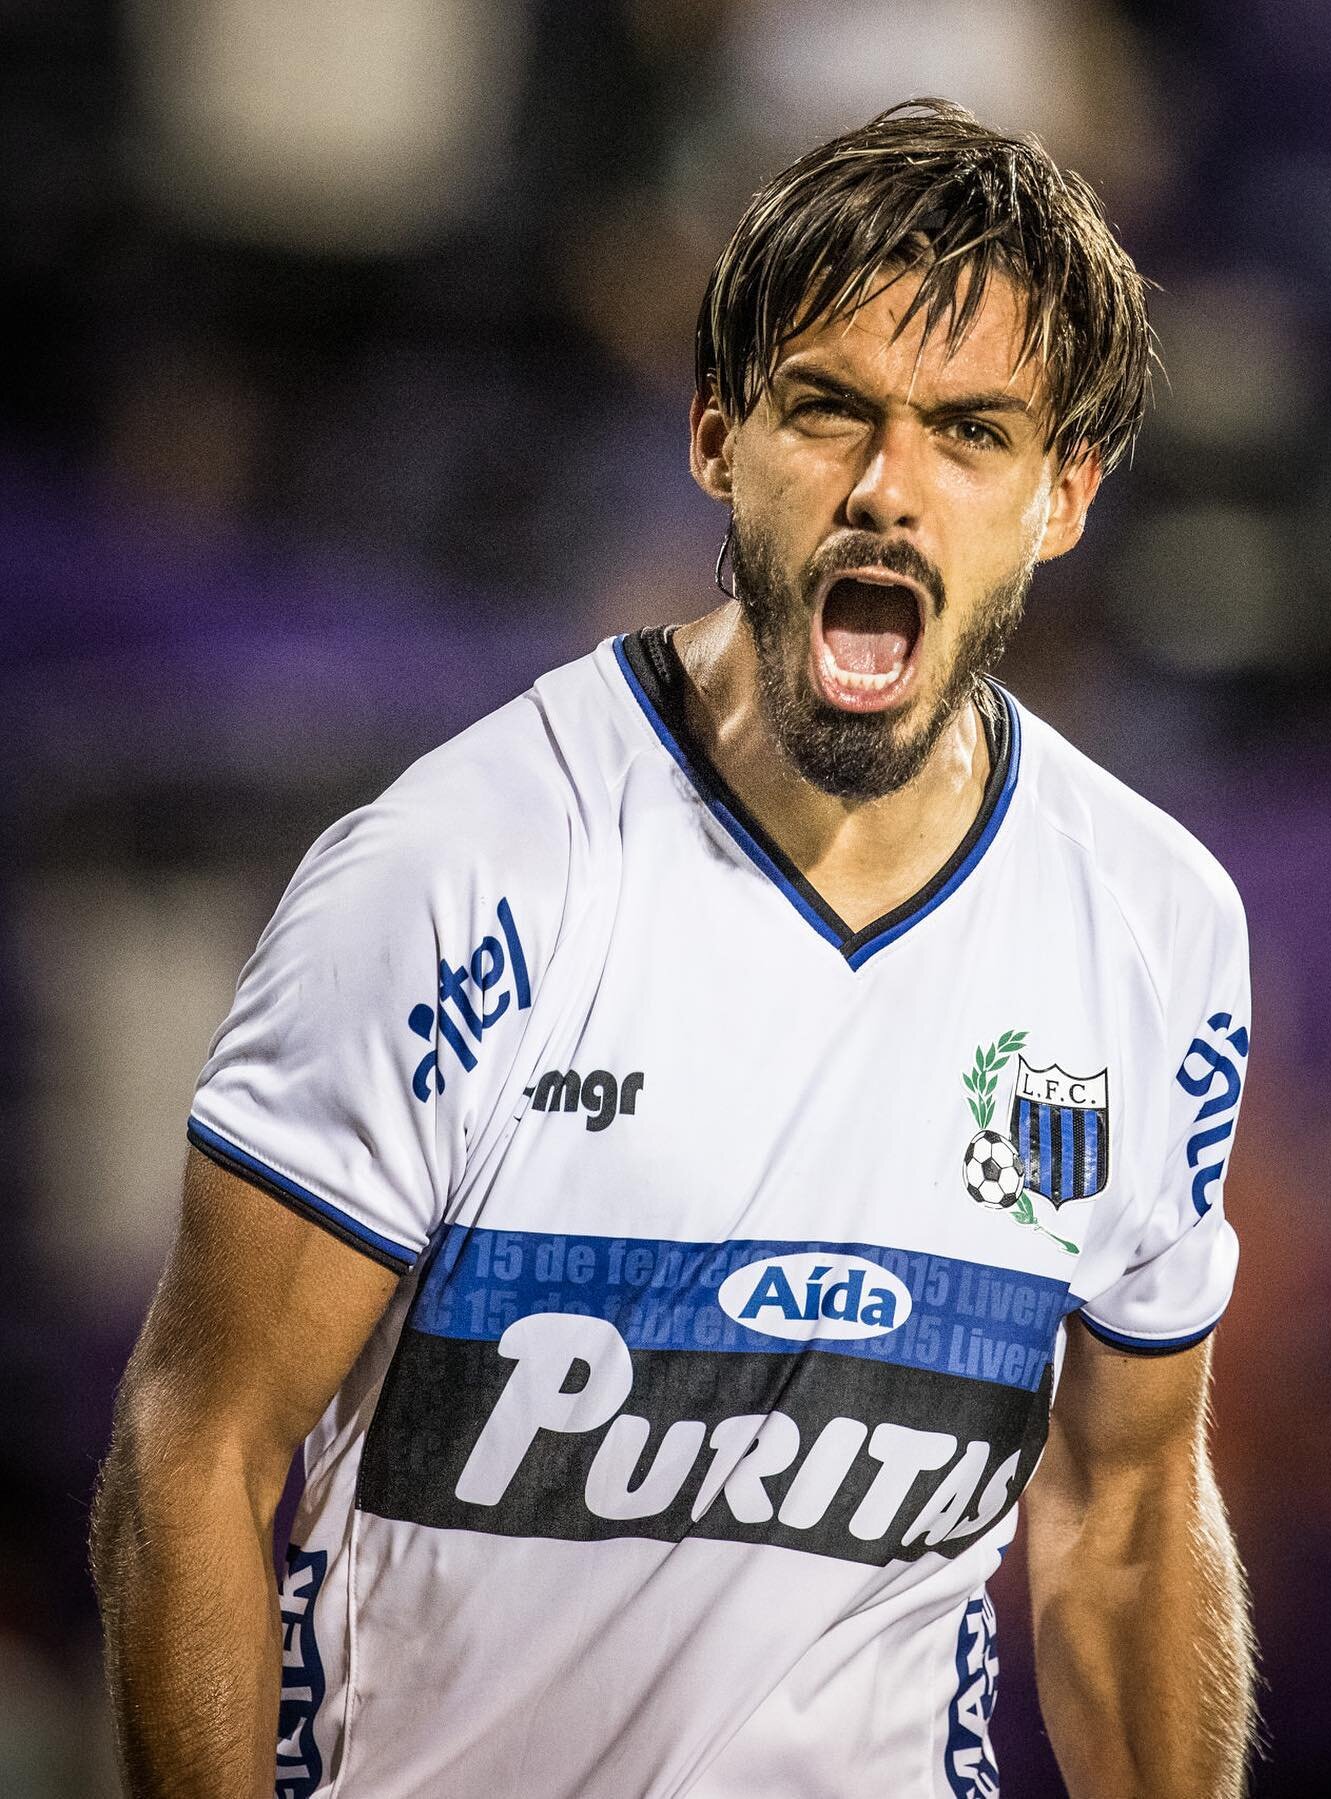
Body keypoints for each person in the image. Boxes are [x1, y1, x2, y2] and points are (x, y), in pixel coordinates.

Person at [91, 100, 1256, 1799]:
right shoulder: (453, 879)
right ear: (717, 437)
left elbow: (1131, 1514)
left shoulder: (1154, 928)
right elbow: (191, 1460)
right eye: (828, 410)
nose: (886, 490)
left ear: (1065, 494)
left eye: (971, 433)